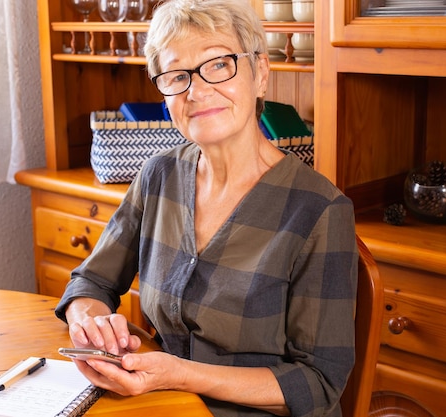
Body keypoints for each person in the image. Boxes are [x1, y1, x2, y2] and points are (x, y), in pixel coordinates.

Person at [54, 0, 358, 416]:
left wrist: (178, 374)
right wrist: (90, 323)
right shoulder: (157, 175)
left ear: (261, 75)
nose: (196, 91)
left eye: (218, 65)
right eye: (177, 75)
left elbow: (319, 382)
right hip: (162, 402)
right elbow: (91, 281)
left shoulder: (320, 209)